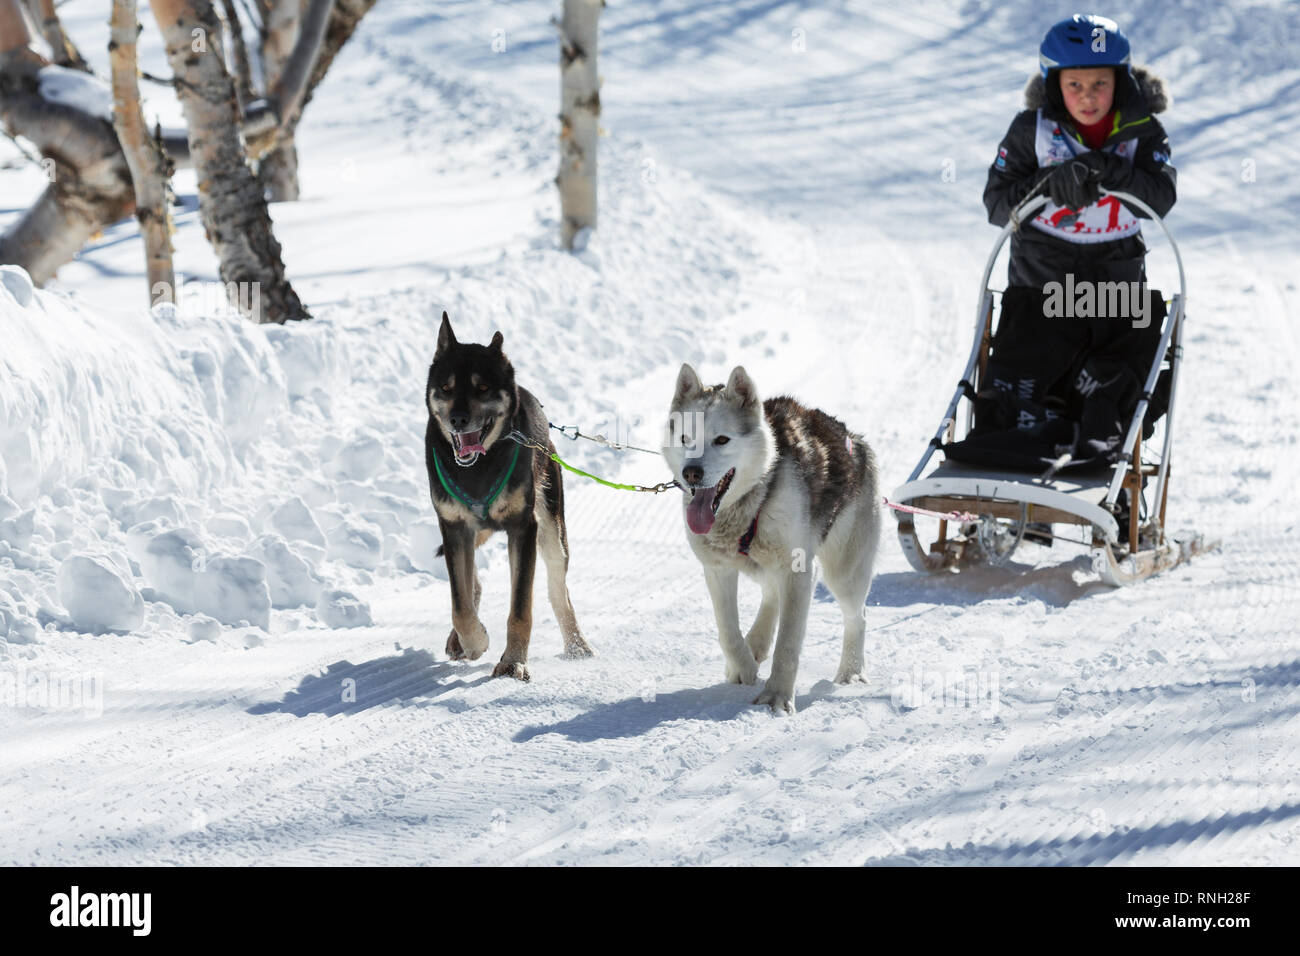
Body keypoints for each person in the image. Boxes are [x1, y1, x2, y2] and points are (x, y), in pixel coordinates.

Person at [950, 13, 1177, 473]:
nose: (1088, 97)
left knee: (1114, 381)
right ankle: (1015, 458)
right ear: (1055, 84)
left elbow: (1161, 197)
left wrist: (1107, 171)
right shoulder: (1029, 131)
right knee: (1028, 374)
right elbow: (997, 205)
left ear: (1122, 82)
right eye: (1075, 85)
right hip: (1041, 285)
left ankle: (1101, 459)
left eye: (1100, 84)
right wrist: (1050, 181)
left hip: (1114, 291)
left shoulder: (1142, 131)